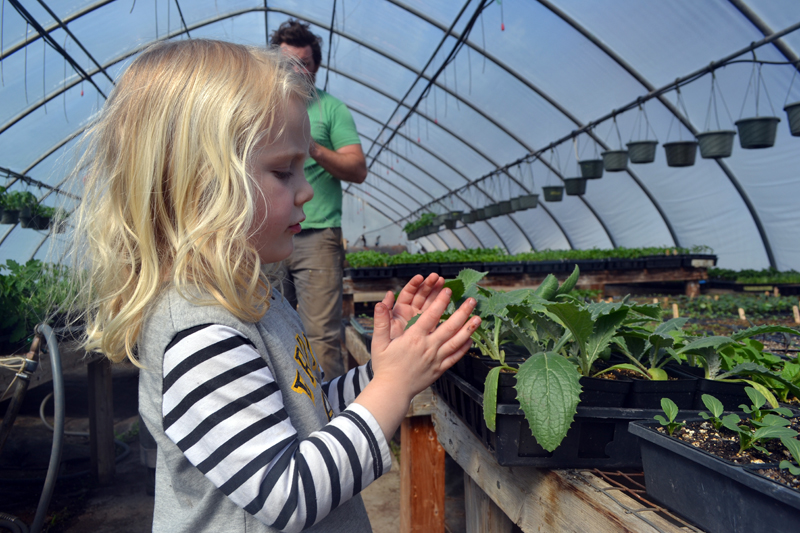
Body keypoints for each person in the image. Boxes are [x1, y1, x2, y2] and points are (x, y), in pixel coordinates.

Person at [67, 40, 479, 533]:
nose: (307, 189)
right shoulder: (199, 333)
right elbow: (288, 494)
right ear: (202, 187)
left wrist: (382, 370)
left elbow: (306, 405)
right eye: (284, 171)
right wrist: (395, 387)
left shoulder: (251, 297)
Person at [270, 19, 367, 379]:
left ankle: (331, 420)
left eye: (304, 63)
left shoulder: (331, 109)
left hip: (316, 237)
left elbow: (357, 168)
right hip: (267, 233)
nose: (296, 70)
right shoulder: (260, 108)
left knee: (322, 335)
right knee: (264, 327)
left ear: (316, 66)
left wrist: (311, 147)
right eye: (286, 63)